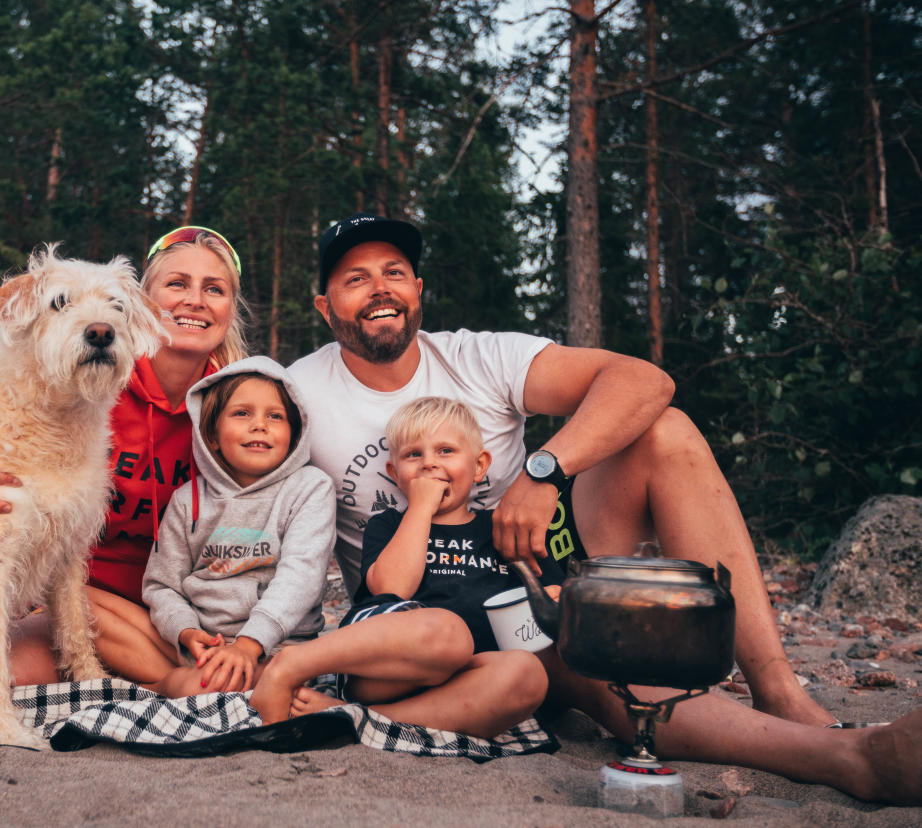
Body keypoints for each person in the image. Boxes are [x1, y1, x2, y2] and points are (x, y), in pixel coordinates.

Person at [271, 211, 922, 804]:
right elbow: (239, 476)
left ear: (418, 288)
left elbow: (644, 380)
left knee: (664, 431)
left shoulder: (480, 356)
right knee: (563, 667)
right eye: (356, 278)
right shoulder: (300, 392)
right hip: (419, 628)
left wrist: (543, 472)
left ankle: (788, 699)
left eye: (394, 272)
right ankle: (847, 754)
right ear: (326, 306)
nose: (379, 287)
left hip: (526, 589)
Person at [0, 227, 250, 686]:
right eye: (177, 284)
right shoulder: (89, 377)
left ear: (231, 310)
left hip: (181, 604)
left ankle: (172, 682)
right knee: (17, 673)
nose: (194, 300)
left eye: (215, 289)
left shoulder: (240, 401)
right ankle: (177, 684)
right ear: (144, 304)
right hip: (90, 598)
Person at [250, 397, 550, 739]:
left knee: (528, 674)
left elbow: (547, 599)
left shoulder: (499, 529)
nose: (429, 464)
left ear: (480, 466)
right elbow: (393, 589)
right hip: (386, 669)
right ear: (395, 473)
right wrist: (420, 507)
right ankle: (291, 665)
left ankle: (355, 718)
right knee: (449, 633)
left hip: (464, 678)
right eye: (413, 455)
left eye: (446, 451)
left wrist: (552, 596)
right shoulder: (389, 524)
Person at [142, 356, 335, 697]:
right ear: (211, 436)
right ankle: (171, 683)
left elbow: (301, 577)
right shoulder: (188, 500)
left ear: (295, 434)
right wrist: (186, 632)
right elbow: (162, 586)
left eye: (275, 416)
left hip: (280, 649)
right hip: (205, 647)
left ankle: (163, 688)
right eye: (242, 413)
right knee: (90, 608)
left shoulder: (310, 487)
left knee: (221, 685)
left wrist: (249, 644)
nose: (260, 425)